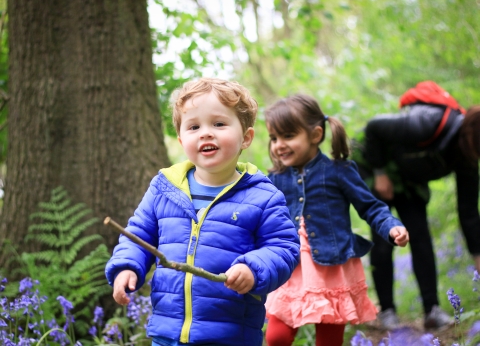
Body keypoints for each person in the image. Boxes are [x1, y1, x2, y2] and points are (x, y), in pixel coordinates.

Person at [105, 78, 300, 346]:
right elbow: (138, 234)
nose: (206, 133)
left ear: (246, 137)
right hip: (168, 331)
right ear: (181, 138)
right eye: (194, 126)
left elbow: (284, 248)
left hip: (230, 334)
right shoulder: (165, 188)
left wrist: (253, 268)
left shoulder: (263, 197)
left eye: (219, 124)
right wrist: (127, 266)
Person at [262, 94, 409, 346]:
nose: (278, 145)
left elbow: (370, 207)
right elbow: (262, 218)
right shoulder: (274, 178)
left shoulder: (339, 171)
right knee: (277, 337)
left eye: (287, 136)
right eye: (274, 138)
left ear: (315, 135)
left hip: (332, 264)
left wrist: (391, 226)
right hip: (290, 262)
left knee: (328, 336)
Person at [352, 101, 480, 330]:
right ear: (471, 134)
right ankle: (387, 311)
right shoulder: (427, 123)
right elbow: (373, 128)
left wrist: (478, 255)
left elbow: (468, 212)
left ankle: (432, 311)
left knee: (419, 235)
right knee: (384, 238)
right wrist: (380, 173)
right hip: (375, 164)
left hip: (408, 180)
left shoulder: (468, 156)